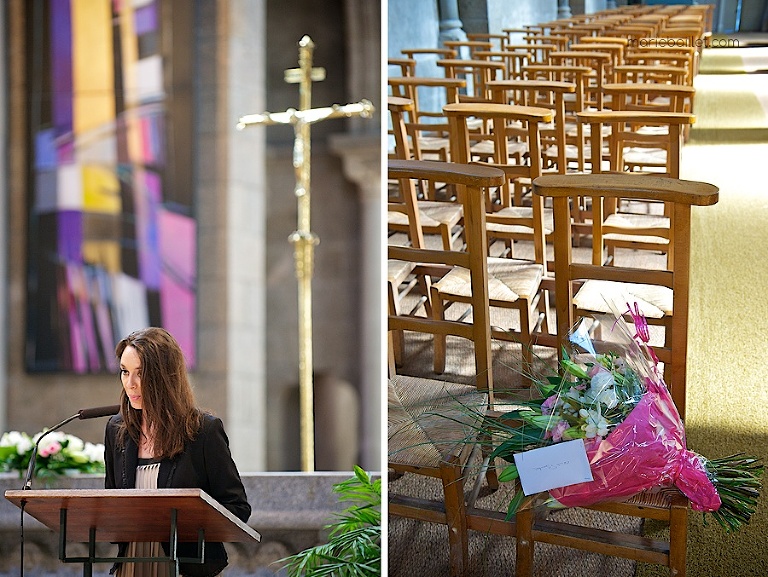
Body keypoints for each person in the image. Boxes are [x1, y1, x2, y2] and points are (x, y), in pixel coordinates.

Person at [104, 327, 251, 577]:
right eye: (125, 372)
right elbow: (112, 502)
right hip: (131, 564)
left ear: (164, 376)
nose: (130, 384)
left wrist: (188, 521)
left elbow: (237, 507)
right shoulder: (117, 429)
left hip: (189, 567)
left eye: (140, 373)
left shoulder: (203, 431)